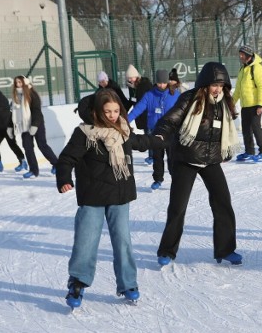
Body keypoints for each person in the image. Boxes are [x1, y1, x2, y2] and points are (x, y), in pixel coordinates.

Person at [56, 88, 164, 309]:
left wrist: (162, 141)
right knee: (86, 241)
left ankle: (128, 284)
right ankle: (77, 282)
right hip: (92, 196)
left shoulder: (122, 130)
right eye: (108, 111)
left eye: (116, 110)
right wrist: (64, 178)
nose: (113, 115)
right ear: (98, 111)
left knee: (123, 241)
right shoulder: (85, 133)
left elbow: (140, 143)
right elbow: (66, 158)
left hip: (119, 195)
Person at [154, 62, 243, 266]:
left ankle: (226, 249)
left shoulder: (223, 103)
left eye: (221, 85)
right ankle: (167, 251)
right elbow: (169, 120)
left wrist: (224, 151)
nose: (217, 89)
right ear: (205, 84)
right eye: (214, 85)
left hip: (210, 160)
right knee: (178, 207)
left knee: (223, 203)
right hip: (186, 158)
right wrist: (160, 135)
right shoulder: (190, 99)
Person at [128, 69, 179, 189]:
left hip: (171, 131)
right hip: (155, 130)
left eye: (164, 82)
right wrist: (125, 121)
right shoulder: (149, 95)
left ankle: (175, 178)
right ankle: (158, 179)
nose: (162, 85)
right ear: (156, 82)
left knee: (172, 156)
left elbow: (183, 110)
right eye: (159, 82)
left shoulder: (175, 95)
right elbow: (137, 109)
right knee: (157, 157)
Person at [9, 75, 59, 179]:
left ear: (25, 82)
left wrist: (35, 125)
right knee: (27, 147)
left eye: (20, 82)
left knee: (42, 145)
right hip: (24, 125)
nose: (18, 84)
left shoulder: (32, 94)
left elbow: (36, 110)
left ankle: (57, 164)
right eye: (16, 83)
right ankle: (33, 170)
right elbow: (12, 113)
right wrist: (10, 127)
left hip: (37, 123)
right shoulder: (15, 97)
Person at [232, 44, 262, 162]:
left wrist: (260, 104)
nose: (240, 56)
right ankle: (249, 151)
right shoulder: (243, 69)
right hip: (245, 105)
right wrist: (232, 102)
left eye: (242, 54)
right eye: (240, 54)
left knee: (256, 127)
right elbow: (238, 88)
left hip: (255, 105)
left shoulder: (257, 67)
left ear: (248, 55)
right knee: (246, 129)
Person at [125, 64, 154, 164]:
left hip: (149, 114)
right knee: (148, 134)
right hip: (140, 114)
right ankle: (152, 155)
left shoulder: (145, 85)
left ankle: (152, 156)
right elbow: (132, 100)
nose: (130, 80)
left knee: (150, 134)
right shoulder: (132, 87)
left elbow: (144, 100)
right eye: (129, 78)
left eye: (132, 77)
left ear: (137, 76)